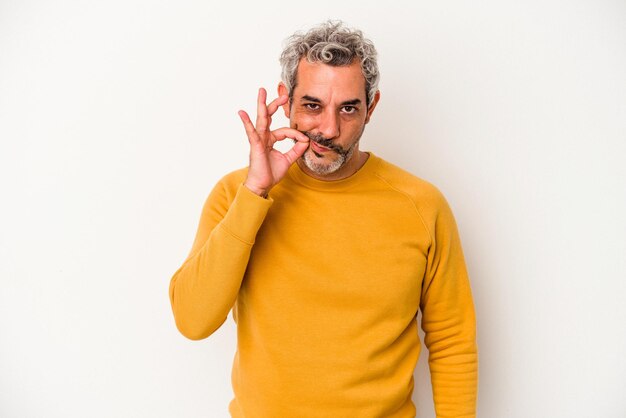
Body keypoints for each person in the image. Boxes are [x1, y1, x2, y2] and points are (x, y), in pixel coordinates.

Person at [169, 20, 478, 418]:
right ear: (286, 99)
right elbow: (193, 321)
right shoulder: (237, 194)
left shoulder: (422, 205)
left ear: (372, 108)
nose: (329, 129)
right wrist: (255, 193)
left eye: (348, 108)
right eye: (312, 105)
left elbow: (452, 339)